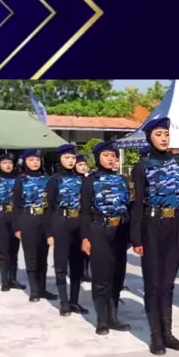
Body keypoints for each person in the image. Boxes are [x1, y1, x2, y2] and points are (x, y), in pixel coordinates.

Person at [130, 117, 179, 355]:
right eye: (158, 134)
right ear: (149, 138)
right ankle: (155, 336)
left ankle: (168, 334)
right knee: (153, 284)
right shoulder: (142, 167)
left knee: (168, 284)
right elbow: (137, 204)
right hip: (151, 225)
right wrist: (136, 238)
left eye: (166, 134)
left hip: (174, 225)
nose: (164, 138)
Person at [81, 141, 131, 335]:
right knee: (101, 277)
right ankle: (102, 320)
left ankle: (113, 317)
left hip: (120, 232)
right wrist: (85, 237)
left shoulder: (123, 179)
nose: (110, 159)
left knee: (117, 275)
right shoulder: (90, 181)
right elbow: (85, 211)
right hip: (99, 230)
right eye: (106, 155)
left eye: (113, 156)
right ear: (97, 158)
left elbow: (129, 207)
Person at [45, 144, 88, 317]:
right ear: (60, 159)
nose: (70, 161)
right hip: (60, 222)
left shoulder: (82, 180)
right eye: (67, 158)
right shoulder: (54, 180)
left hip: (78, 222)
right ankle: (64, 303)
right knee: (61, 264)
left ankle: (74, 301)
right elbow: (48, 208)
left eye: (73, 158)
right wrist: (49, 233)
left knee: (77, 265)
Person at [13, 149, 58, 303]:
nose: (34, 163)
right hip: (28, 219)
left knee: (43, 256)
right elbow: (16, 205)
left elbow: (52, 203)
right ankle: (34, 290)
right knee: (31, 256)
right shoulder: (20, 180)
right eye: (31, 160)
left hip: (45, 218)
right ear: (25, 162)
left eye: (37, 160)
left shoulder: (48, 179)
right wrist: (17, 227)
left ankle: (43, 289)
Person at [0, 153, 25, 292]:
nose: (8, 165)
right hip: (0, 216)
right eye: (4, 163)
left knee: (15, 249)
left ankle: (13, 279)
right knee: (4, 249)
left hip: (16, 216)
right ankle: (5, 281)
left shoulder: (19, 179)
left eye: (10, 163)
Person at [75, 155, 92, 281]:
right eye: (80, 165)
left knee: (87, 245)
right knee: (76, 246)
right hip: (75, 216)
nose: (83, 167)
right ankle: (77, 272)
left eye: (84, 165)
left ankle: (86, 272)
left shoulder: (89, 180)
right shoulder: (73, 180)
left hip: (87, 216)